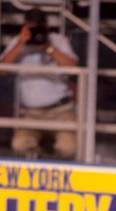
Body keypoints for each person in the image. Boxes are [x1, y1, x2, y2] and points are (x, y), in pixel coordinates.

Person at [0, 7, 78, 159]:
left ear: (45, 25)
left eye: (38, 26)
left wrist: (48, 48)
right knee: (20, 145)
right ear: (25, 25)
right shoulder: (18, 41)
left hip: (60, 110)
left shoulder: (58, 40)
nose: (35, 30)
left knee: (68, 148)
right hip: (31, 113)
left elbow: (72, 66)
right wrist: (20, 44)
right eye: (31, 26)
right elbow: (2, 69)